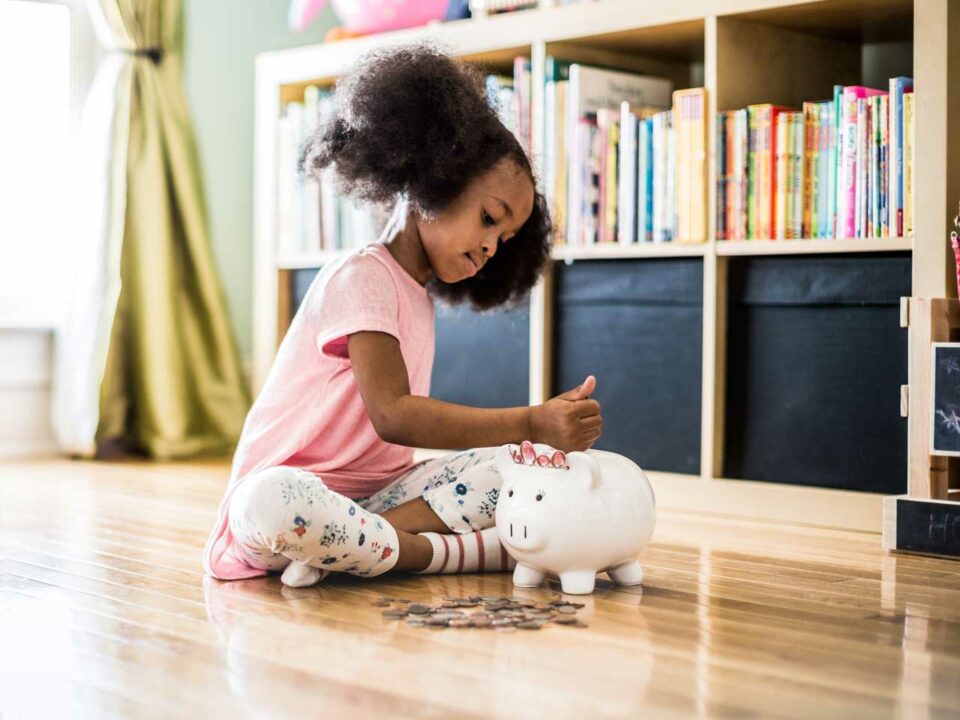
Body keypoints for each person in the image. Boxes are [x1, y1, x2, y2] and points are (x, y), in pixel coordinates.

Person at [202, 42, 603, 588]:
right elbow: (394, 414)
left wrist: (529, 442)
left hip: (381, 500)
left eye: (504, 239)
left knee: (515, 464)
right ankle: (437, 554)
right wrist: (532, 420)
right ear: (435, 178)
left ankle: (354, 546)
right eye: (489, 218)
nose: (491, 246)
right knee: (270, 502)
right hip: (292, 496)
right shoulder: (363, 276)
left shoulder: (418, 294)